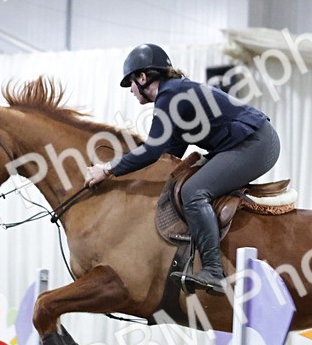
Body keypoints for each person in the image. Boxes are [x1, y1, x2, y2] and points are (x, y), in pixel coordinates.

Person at [84, 44, 280, 296]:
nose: (131, 90)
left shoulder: (169, 96)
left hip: (256, 144)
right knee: (185, 182)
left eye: (131, 83)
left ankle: (212, 270)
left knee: (194, 191)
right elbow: (171, 152)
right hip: (251, 141)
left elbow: (153, 150)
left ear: (143, 78)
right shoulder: (176, 92)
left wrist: (108, 169)